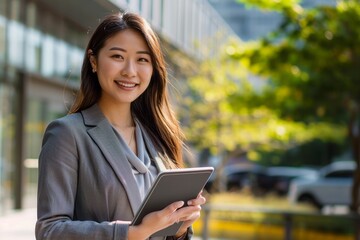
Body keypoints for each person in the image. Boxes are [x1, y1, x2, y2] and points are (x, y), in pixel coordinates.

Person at [35, 12, 206, 240]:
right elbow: (50, 230)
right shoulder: (67, 134)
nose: (130, 71)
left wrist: (180, 226)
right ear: (94, 61)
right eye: (117, 56)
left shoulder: (158, 136)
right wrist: (131, 233)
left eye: (142, 60)